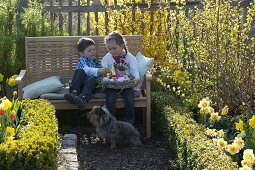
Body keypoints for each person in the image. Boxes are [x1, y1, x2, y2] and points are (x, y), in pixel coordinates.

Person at [101, 31, 140, 124]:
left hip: (125, 84)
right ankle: (111, 123)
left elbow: (134, 70)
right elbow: (103, 65)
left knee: (129, 98)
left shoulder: (129, 57)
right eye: (109, 49)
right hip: (112, 83)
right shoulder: (108, 56)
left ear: (122, 45)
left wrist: (137, 78)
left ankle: (128, 122)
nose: (112, 51)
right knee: (110, 98)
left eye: (114, 48)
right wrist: (105, 70)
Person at [64, 37, 110, 109]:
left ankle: (83, 98)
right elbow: (86, 70)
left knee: (91, 78)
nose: (93, 52)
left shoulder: (95, 61)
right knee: (80, 71)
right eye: (89, 51)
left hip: (90, 87)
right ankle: (73, 94)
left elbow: (101, 71)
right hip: (79, 86)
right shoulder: (82, 60)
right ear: (81, 53)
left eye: (94, 50)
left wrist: (105, 70)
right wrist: (98, 71)